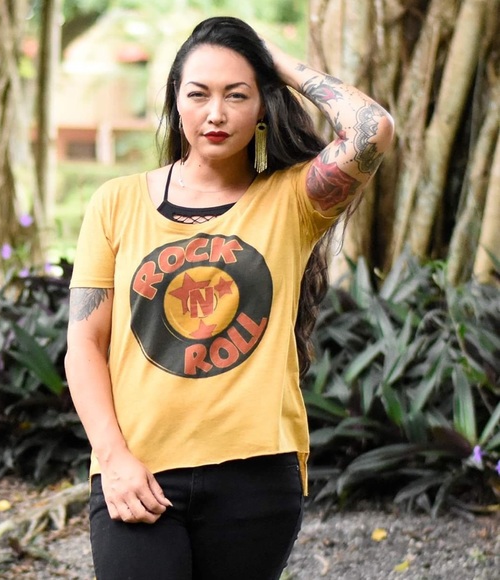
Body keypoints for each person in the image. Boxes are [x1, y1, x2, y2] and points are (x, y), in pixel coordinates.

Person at [64, 15, 394, 580]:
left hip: (255, 475)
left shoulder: (293, 201)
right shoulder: (116, 203)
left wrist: (273, 59)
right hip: (137, 471)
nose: (215, 113)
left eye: (236, 95)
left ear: (263, 104)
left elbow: (372, 129)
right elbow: (85, 345)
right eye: (198, 94)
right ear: (176, 101)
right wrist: (113, 460)